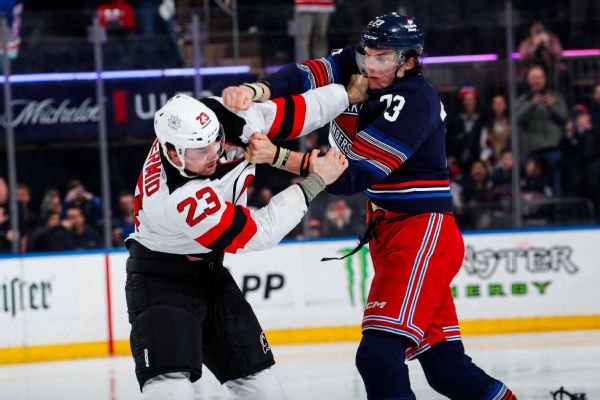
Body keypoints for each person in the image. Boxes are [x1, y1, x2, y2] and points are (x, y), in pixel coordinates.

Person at [223, 12, 517, 400]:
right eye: (367, 55)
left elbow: (347, 176)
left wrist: (277, 156)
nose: (370, 65)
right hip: (388, 231)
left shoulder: (415, 100)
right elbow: (302, 75)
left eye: (383, 58)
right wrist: (256, 90)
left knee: (378, 355)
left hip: (421, 232)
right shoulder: (360, 62)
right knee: (447, 369)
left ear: (409, 61)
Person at [125, 83, 358, 399]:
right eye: (200, 151)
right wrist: (315, 181)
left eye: (214, 143)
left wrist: (350, 93)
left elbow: (293, 114)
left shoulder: (216, 117)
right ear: (171, 152)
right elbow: (260, 232)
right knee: (171, 391)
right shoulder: (180, 200)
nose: (213, 154)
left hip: (210, 276)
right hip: (161, 283)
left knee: (265, 389)